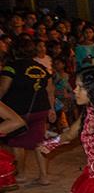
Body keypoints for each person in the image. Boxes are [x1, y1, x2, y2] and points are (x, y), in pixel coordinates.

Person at [0, 36, 56, 184]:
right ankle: (44, 176)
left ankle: (21, 174)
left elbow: (3, 89)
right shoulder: (41, 68)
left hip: (19, 112)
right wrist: (51, 109)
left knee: (17, 143)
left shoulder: (10, 67)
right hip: (40, 110)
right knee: (39, 142)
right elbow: (50, 90)